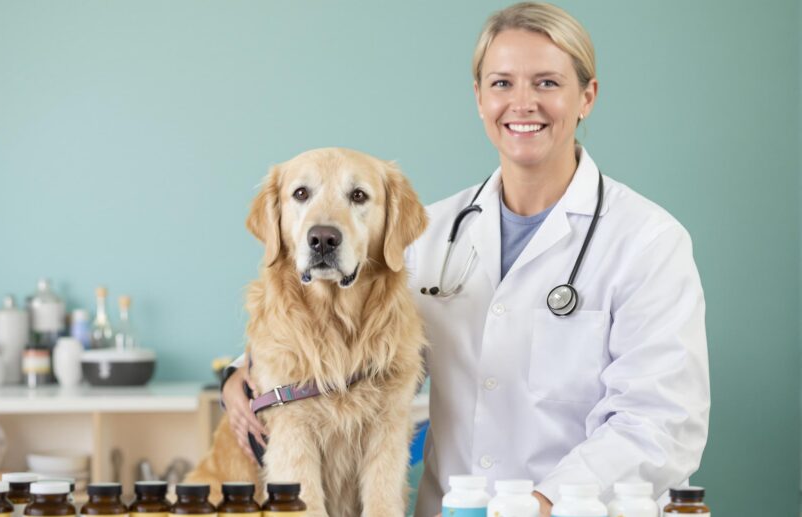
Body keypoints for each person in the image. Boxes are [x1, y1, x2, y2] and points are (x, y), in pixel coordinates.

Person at [222, 3, 710, 517]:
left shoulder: (648, 242)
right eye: (502, 83)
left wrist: (544, 501)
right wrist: (241, 373)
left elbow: (661, 423)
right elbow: (357, 339)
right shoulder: (429, 234)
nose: (523, 103)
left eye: (547, 83)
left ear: (586, 96)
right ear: (478, 98)